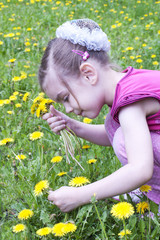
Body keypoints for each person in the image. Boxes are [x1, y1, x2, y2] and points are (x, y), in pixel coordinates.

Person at [38, 19, 160, 212]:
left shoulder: (130, 104)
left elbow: (140, 168)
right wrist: (74, 126)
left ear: (88, 74)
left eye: (66, 97)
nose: (68, 108)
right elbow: (115, 133)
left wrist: (80, 195)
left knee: (121, 139)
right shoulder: (129, 84)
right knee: (114, 126)